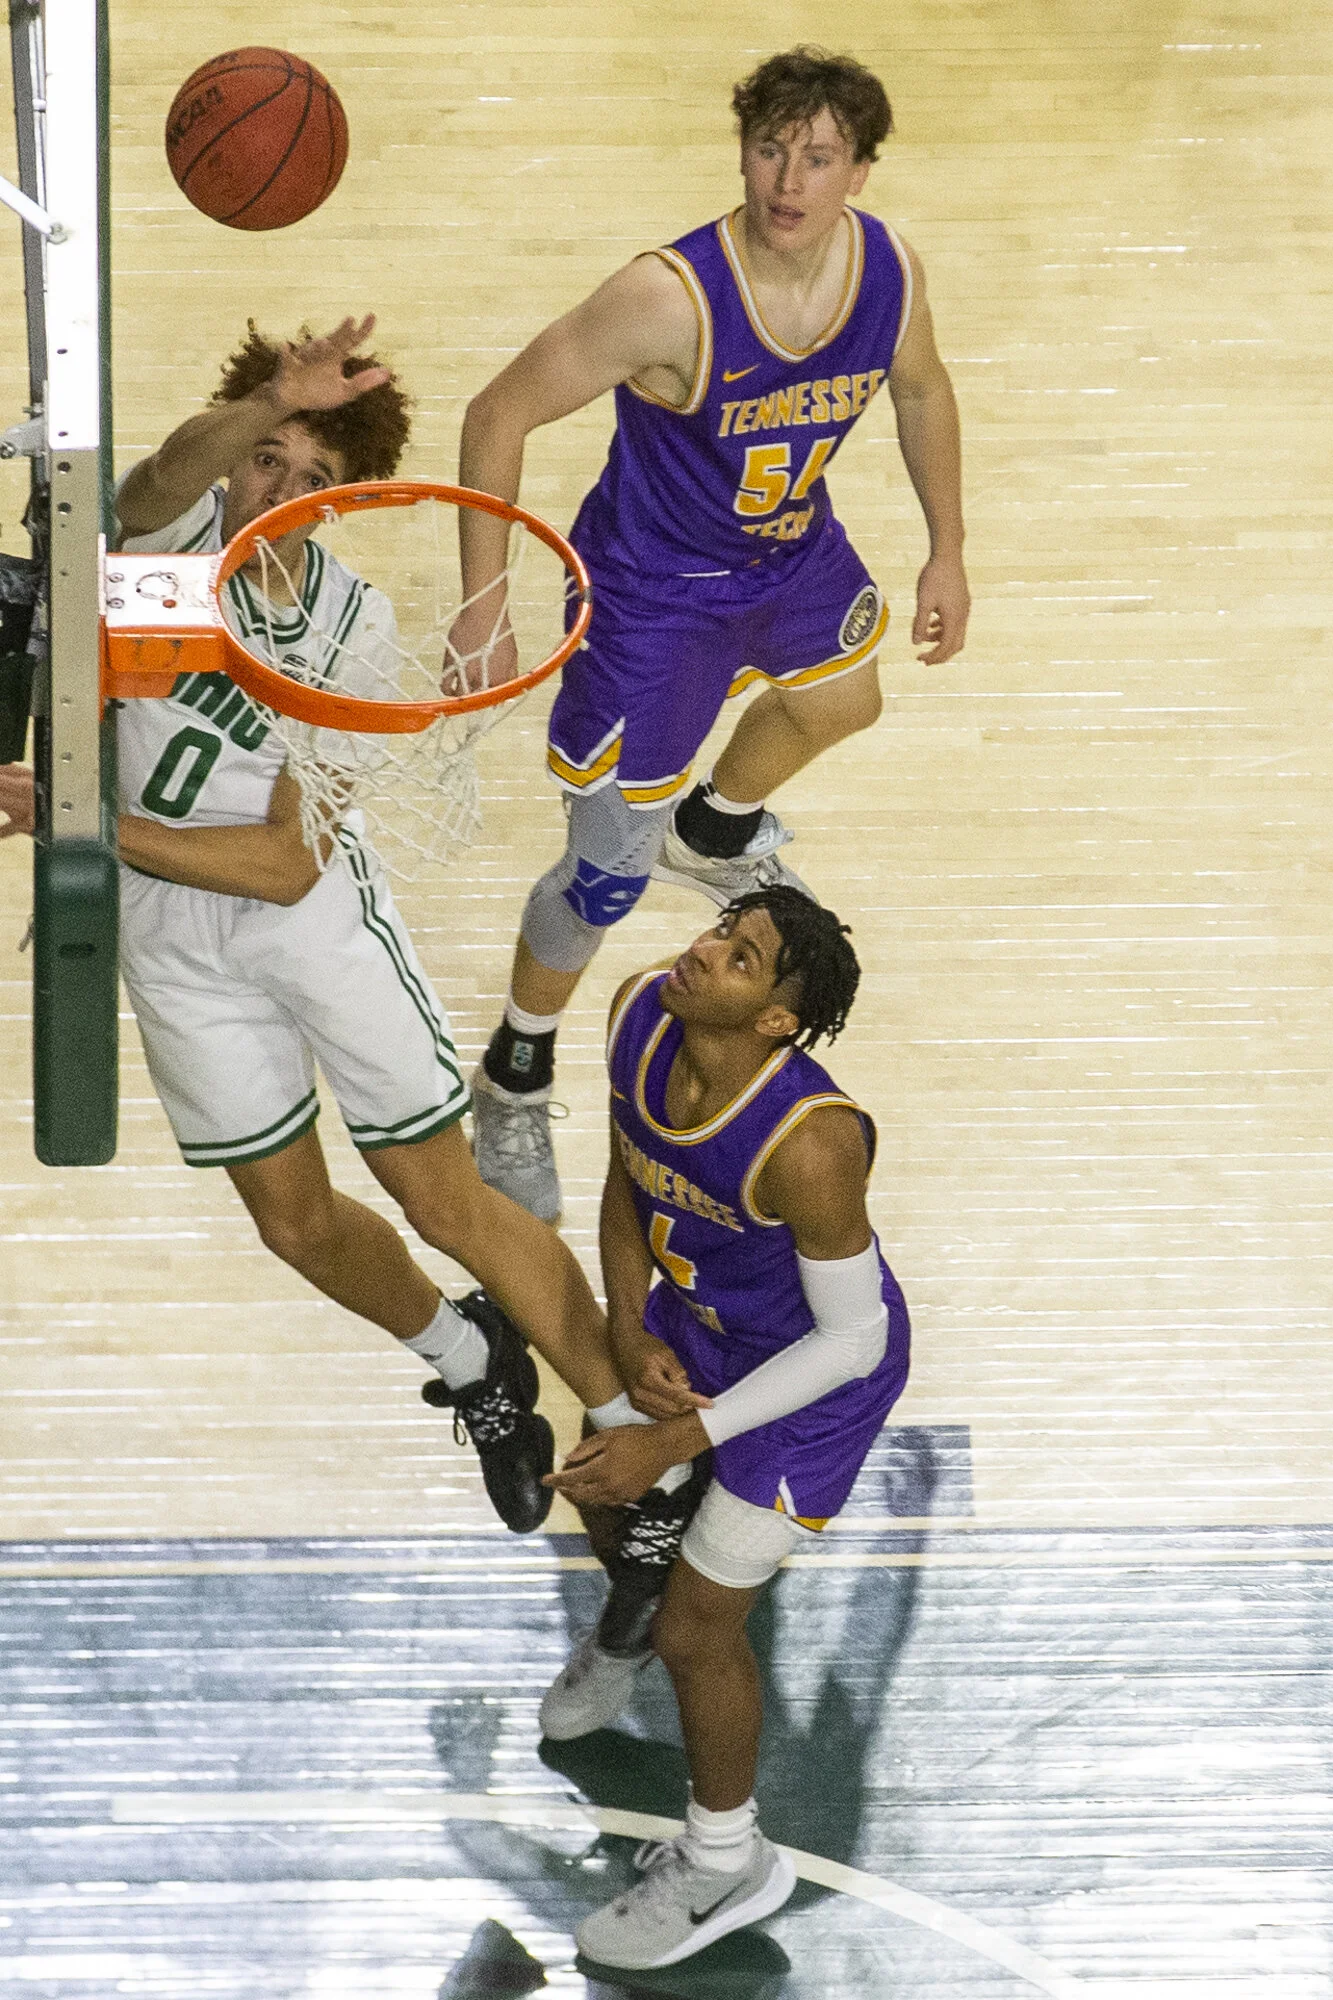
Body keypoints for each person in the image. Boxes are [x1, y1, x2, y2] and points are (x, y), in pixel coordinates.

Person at [12, 314, 638, 1534]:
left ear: (343, 502)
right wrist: (263, 403)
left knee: (445, 1201)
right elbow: (152, 480)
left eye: (314, 480)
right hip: (169, 937)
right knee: (293, 1224)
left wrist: (81, 822)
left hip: (307, 928)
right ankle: (474, 1364)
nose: (277, 492)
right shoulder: (172, 540)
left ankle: (624, 1425)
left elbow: (286, 867)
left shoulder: (351, 632)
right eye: (267, 459)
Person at [451, 45, 969, 1223]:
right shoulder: (667, 295)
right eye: (768, 148)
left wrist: (945, 547)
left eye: (818, 156)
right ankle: (514, 1071)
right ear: (742, 150)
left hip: (786, 553)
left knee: (845, 697)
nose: (787, 178)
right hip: (653, 594)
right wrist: (485, 603)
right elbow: (497, 413)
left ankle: (714, 822)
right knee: (599, 881)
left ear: (861, 172)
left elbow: (924, 390)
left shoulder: (887, 269)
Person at [540, 885, 911, 1971]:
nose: (703, 951)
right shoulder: (639, 1009)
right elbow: (632, 1171)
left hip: (809, 1388)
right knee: (619, 1515)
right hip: (692, 1324)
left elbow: (850, 1336)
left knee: (698, 1630)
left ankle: (724, 1863)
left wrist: (679, 1436)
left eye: (740, 958)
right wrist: (621, 1311)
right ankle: (620, 1629)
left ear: (774, 1023)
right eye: (720, 929)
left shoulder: (812, 1141)